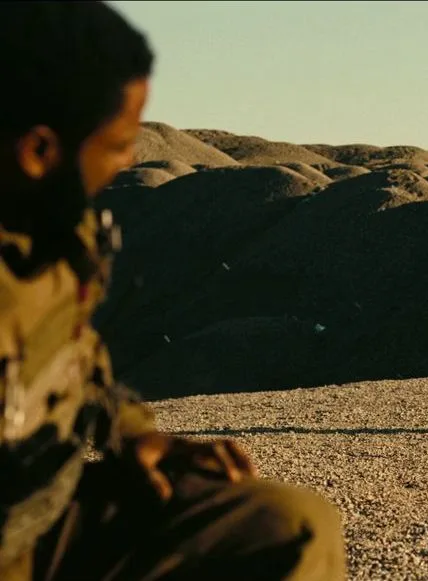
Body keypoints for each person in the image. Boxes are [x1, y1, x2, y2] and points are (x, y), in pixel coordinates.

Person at [0, 3, 347, 580]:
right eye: (117, 143)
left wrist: (133, 436)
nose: (131, 160)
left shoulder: (53, 235)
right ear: (38, 152)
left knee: (287, 528)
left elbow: (72, 360)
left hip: (34, 517)